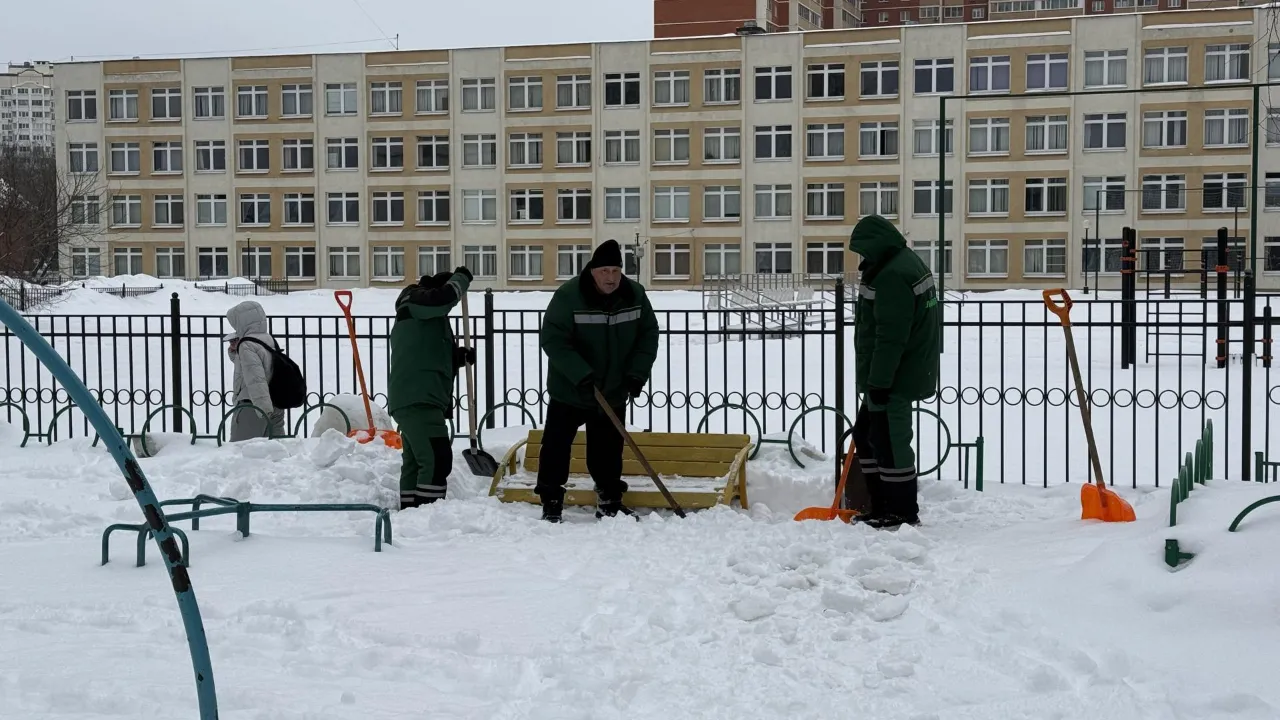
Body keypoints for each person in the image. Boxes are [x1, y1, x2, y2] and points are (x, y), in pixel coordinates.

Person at [536, 240, 659, 523]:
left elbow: (648, 335)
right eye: (604, 271)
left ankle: (610, 500)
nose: (611, 277)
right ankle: (551, 500)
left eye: (616, 270)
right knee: (556, 446)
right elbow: (554, 340)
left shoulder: (635, 295)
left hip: (612, 388)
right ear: (592, 270)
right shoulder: (569, 296)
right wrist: (580, 373)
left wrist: (637, 374)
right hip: (571, 388)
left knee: (608, 449)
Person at [847, 214, 941, 529]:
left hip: (892, 377)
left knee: (889, 441)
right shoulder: (902, 262)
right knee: (867, 435)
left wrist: (879, 382)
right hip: (896, 372)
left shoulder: (892, 275)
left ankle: (900, 509)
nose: (862, 258)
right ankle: (881, 505)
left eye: (864, 251)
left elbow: (890, 337)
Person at [387, 266, 474, 511]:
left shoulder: (421, 316)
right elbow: (443, 299)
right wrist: (461, 279)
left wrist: (456, 357)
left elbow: (425, 354)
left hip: (417, 397)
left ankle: (411, 513)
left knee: (417, 462)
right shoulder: (414, 300)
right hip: (419, 399)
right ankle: (427, 514)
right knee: (436, 459)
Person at [225, 300, 287, 442]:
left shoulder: (247, 345)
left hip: (255, 406)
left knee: (241, 450)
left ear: (242, 322)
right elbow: (258, 366)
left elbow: (256, 379)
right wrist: (235, 352)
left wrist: (263, 411)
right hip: (275, 402)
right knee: (276, 451)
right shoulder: (267, 338)